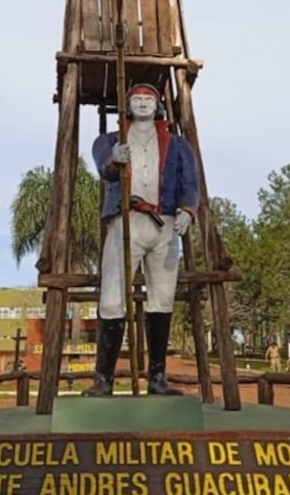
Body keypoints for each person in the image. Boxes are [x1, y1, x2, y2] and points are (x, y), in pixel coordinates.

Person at [82, 83, 199, 397]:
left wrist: (188, 210)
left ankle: (157, 378)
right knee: (112, 296)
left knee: (161, 298)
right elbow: (105, 169)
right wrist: (113, 162)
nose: (144, 103)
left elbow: (189, 181)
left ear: (158, 104)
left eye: (149, 99)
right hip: (126, 222)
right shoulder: (108, 141)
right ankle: (103, 380)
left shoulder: (177, 145)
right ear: (128, 105)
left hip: (165, 224)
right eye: (137, 99)